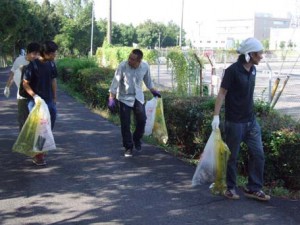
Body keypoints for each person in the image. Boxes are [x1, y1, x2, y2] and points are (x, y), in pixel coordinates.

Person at [211, 37, 270, 201]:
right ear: (250, 54)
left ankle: (253, 188)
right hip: (234, 122)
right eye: (259, 54)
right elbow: (222, 93)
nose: (261, 56)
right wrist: (216, 116)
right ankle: (230, 188)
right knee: (232, 157)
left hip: (251, 122)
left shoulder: (253, 70)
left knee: (258, 154)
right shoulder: (232, 71)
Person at [108, 49, 161, 157]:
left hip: (138, 97)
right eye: (129, 57)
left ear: (139, 61)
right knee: (125, 124)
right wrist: (111, 98)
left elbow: (148, 82)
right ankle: (128, 147)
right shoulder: (122, 66)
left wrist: (154, 91)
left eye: (132, 59)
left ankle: (136, 138)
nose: (129, 60)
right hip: (124, 98)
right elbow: (115, 82)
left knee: (142, 120)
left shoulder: (145, 67)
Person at [22, 40, 58, 166]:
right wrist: (35, 96)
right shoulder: (33, 65)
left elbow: (53, 80)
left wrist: (54, 98)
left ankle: (40, 148)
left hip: (49, 101)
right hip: (36, 102)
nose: (55, 55)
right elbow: (25, 83)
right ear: (46, 53)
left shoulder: (51, 64)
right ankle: (39, 155)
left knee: (48, 126)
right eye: (53, 53)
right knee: (41, 128)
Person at [4, 42, 40, 130]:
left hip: (36, 96)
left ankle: (33, 141)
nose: (36, 56)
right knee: (22, 119)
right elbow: (12, 74)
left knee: (36, 121)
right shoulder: (19, 60)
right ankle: (22, 141)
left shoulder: (38, 63)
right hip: (22, 95)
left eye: (38, 54)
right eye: (34, 54)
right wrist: (7, 86)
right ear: (28, 52)